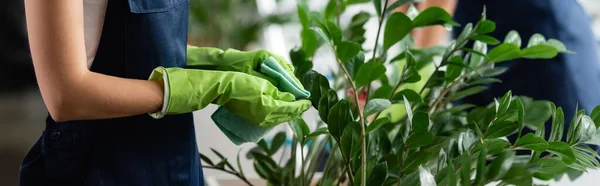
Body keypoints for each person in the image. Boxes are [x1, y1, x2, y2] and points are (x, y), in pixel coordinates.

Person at [20, 0, 311, 185]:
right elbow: (66, 95)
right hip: (98, 164)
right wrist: (210, 87)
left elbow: (139, 41)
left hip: (175, 154)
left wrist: (220, 62)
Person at [403, 0, 600, 141]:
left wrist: (408, 75)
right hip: (500, 40)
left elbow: (438, 8)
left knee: (562, 140)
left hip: (536, 36)